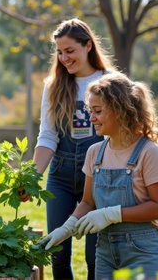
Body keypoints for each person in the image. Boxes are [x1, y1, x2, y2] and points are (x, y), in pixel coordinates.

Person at [37, 72, 158, 278]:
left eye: (97, 111)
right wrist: (67, 228)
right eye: (90, 111)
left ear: (120, 110)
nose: (91, 118)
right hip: (106, 251)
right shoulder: (95, 153)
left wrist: (111, 214)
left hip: (143, 252)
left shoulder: (149, 152)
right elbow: (88, 202)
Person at [23, 18, 116, 279]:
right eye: (60, 52)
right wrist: (32, 177)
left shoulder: (111, 81)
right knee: (58, 253)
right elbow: (48, 136)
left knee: (94, 256)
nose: (64, 57)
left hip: (100, 178)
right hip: (61, 176)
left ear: (88, 46)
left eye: (70, 51)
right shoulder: (54, 86)